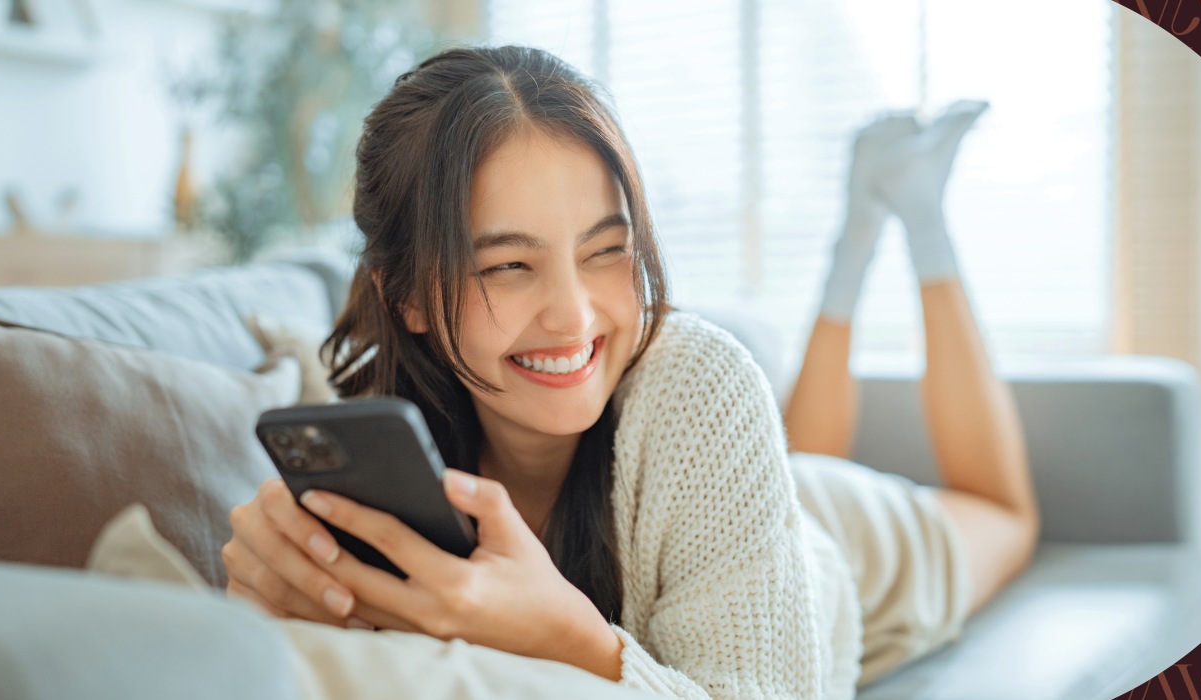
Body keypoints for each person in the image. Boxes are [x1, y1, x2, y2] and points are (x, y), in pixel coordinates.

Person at [219, 45, 1038, 699]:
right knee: (787, 465)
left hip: (843, 552)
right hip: (730, 510)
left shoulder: (702, 384)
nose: (575, 316)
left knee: (1006, 515)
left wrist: (573, 639)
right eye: (509, 266)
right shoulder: (385, 430)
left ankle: (901, 217)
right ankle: (861, 217)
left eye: (607, 251)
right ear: (406, 297)